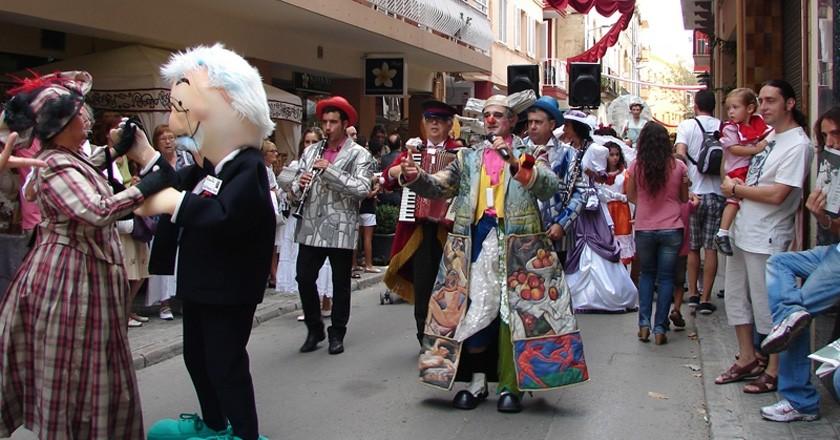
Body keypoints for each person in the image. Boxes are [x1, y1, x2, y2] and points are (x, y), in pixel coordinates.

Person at [0, 70, 174, 439]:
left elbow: (88, 165)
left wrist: (116, 151)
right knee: (74, 365)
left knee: (92, 362)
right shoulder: (54, 164)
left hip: (86, 274)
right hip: (70, 279)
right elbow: (95, 210)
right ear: (60, 124)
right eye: (79, 112)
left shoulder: (67, 158)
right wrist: (146, 186)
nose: (86, 117)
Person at [397, 91, 586, 413]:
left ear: (512, 120)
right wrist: (415, 177)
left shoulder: (531, 153)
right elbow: (440, 185)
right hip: (474, 239)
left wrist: (513, 161)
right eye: (487, 115)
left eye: (498, 115)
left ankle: (511, 386)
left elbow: (548, 186)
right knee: (474, 310)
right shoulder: (468, 158)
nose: (491, 120)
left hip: (520, 246)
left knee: (515, 314)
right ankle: (477, 381)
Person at [140, 44, 276, 440]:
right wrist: (144, 153)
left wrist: (174, 203)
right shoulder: (209, 168)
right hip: (201, 284)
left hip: (229, 288)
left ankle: (244, 433)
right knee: (197, 358)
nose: (176, 120)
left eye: (183, 109)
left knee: (225, 362)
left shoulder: (248, 167)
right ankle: (215, 424)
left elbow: (224, 215)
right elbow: (174, 181)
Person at [714, 79, 813, 395]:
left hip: (767, 235)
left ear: (790, 104)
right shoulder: (767, 136)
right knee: (735, 297)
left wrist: (736, 189)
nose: (764, 106)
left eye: (772, 100)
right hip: (742, 228)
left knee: (766, 304)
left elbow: (778, 194)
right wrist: (732, 183)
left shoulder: (798, 145)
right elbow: (736, 164)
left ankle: (774, 369)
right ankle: (747, 357)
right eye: (761, 100)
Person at [757, 106, 840, 422]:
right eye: (826, 135)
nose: (831, 141)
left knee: (794, 319)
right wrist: (823, 217)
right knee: (780, 264)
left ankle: (800, 401)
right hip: (833, 251)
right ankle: (790, 314)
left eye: (836, 134)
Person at [284, 96, 373, 355]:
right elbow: (292, 187)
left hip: (340, 227)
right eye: (325, 122)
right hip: (311, 225)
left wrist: (330, 170)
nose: (328, 127)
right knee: (304, 278)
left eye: (333, 122)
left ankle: (337, 332)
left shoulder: (360, 154)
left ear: (345, 124)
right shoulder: (311, 151)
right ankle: (314, 328)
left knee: (340, 283)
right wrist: (298, 185)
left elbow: (362, 188)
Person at [383, 100, 462, 345]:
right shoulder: (413, 151)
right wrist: (402, 170)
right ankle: (423, 338)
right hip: (418, 230)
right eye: (430, 120)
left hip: (449, 230)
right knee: (423, 286)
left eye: (440, 120)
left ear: (449, 125)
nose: (434, 124)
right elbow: (388, 177)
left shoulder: (460, 153)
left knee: (451, 288)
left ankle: (447, 339)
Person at [557, 111, 637, 313]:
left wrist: (591, 174)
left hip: (590, 207)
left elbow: (602, 178)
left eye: (568, 126)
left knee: (593, 245)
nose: (564, 129)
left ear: (576, 128)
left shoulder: (595, 150)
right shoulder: (567, 149)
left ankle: (603, 294)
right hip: (573, 207)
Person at [626, 123, 688, 344]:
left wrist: (645, 205)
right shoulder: (678, 166)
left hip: (645, 227)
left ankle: (644, 325)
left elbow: (631, 196)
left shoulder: (636, 166)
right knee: (666, 278)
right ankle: (660, 328)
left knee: (646, 275)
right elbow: (684, 198)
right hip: (672, 227)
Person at [675, 90, 724, 314]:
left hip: (694, 195)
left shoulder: (687, 126)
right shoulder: (723, 126)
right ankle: (706, 298)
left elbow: (680, 155)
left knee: (693, 248)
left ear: (695, 106)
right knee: (711, 248)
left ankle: (693, 294)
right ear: (714, 106)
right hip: (717, 194)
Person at [276, 128, 334, 319]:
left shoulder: (328, 164)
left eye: (313, 142)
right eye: (306, 142)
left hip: (320, 219)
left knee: (323, 263)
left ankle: (326, 300)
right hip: (299, 219)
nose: (309, 146)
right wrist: (296, 188)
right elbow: (284, 193)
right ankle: (309, 306)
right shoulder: (296, 165)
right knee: (302, 266)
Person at [715, 88, 774, 255]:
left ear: (749, 108)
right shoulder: (730, 128)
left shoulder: (759, 123)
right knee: (733, 200)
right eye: (728, 108)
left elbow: (770, 134)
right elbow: (734, 149)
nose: (731, 112)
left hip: (750, 169)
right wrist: (756, 149)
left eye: (735, 107)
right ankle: (722, 232)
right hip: (736, 170)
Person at [145, 124, 194, 321]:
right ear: (156, 143)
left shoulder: (186, 159)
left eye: (171, 138)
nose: (168, 142)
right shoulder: (153, 163)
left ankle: (181, 298)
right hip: (161, 216)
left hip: (183, 214)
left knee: (182, 259)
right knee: (164, 257)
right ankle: (164, 303)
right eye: (163, 139)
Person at [353, 139, 383, 276]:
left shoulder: (354, 167)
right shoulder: (365, 168)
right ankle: (369, 264)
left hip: (357, 206)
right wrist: (376, 190)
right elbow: (368, 193)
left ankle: (354, 264)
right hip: (367, 206)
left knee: (355, 238)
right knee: (367, 238)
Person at [603, 141, 634, 265]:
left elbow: (629, 194)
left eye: (617, 154)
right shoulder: (599, 174)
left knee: (622, 245)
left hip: (621, 212)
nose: (615, 157)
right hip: (605, 210)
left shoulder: (625, 173)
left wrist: (621, 197)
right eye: (611, 155)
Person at [262, 139, 282, 288]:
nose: (276, 153)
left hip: (273, 209)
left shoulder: (270, 169)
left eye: (276, 150)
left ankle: (273, 273)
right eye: (272, 151)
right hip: (267, 210)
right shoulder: (264, 170)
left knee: (274, 245)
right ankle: (272, 274)